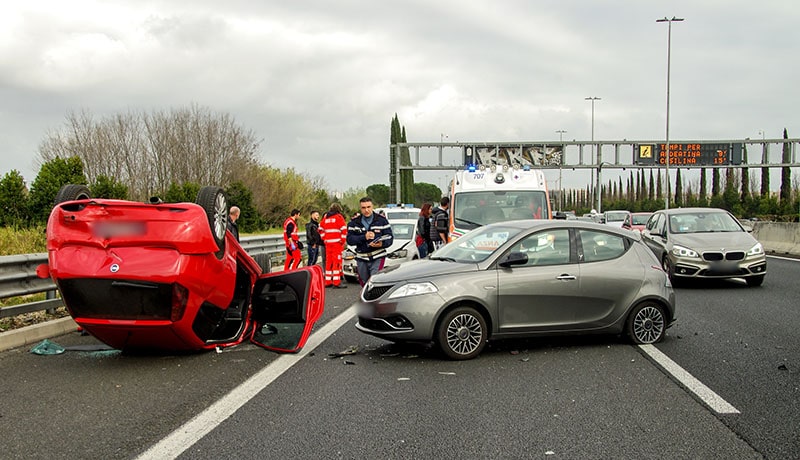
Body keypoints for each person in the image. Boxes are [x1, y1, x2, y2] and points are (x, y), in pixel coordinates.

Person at [346, 197, 393, 286]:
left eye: (368, 207)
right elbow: (349, 240)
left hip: (378, 256)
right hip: (362, 257)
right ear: (360, 208)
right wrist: (364, 237)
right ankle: (366, 298)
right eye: (363, 208)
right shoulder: (354, 223)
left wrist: (381, 244)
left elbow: (390, 238)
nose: (366, 210)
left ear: (372, 207)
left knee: (375, 281)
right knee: (364, 283)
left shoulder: (382, 221)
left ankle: (376, 299)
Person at [319, 203, 348, 288]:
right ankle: (336, 282)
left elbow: (320, 229)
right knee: (337, 262)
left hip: (328, 244)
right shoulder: (338, 217)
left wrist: (324, 238)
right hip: (336, 244)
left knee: (329, 262)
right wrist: (342, 241)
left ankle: (328, 281)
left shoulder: (326, 218)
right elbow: (343, 229)